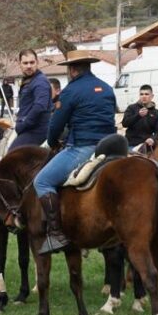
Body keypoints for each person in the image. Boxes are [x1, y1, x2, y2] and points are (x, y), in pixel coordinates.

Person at [33, 51, 117, 254]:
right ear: (88, 67)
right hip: (112, 144)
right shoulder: (106, 88)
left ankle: (55, 234)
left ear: (72, 70)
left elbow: (56, 124)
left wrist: (53, 142)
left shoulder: (70, 91)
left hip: (83, 147)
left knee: (41, 181)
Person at [10, 49, 52, 150]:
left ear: (37, 63)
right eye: (25, 63)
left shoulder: (40, 82)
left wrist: (23, 125)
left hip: (36, 130)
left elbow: (39, 107)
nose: (29, 66)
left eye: (32, 62)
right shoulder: (30, 80)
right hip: (29, 129)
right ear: (19, 64)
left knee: (12, 156)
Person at [121, 84, 158, 151]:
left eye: (146, 94)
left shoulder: (157, 113)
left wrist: (152, 138)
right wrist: (138, 115)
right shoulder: (131, 108)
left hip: (147, 145)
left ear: (152, 96)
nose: (144, 96)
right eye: (141, 94)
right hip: (131, 144)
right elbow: (125, 123)